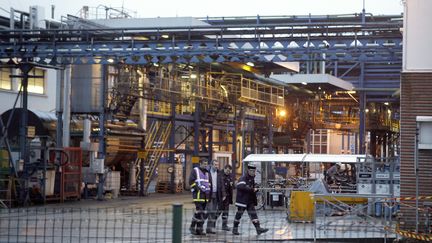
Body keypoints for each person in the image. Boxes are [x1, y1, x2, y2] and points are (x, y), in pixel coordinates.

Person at [232, 163, 269, 235]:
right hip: (242, 201)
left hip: (249, 201)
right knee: (239, 215)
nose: (253, 172)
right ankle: (235, 229)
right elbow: (240, 187)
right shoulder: (243, 178)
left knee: (254, 215)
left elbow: (251, 188)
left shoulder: (252, 179)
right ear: (248, 170)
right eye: (252, 171)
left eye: (254, 171)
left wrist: (256, 189)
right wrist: (252, 189)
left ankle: (258, 229)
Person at [189, 159, 212, 235]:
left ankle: (199, 229)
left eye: (206, 164)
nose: (205, 165)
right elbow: (191, 182)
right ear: (200, 164)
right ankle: (193, 227)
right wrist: (198, 189)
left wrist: (209, 194)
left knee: (201, 213)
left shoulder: (208, 173)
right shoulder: (195, 171)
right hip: (198, 195)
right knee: (200, 212)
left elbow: (209, 183)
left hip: (205, 196)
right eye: (204, 164)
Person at [205, 159, 224, 234]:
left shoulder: (219, 173)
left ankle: (210, 228)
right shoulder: (207, 173)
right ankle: (200, 226)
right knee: (209, 211)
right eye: (215, 165)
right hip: (209, 194)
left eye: (217, 165)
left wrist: (223, 194)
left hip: (216, 194)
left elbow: (221, 184)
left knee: (214, 211)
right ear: (211, 165)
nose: (216, 166)